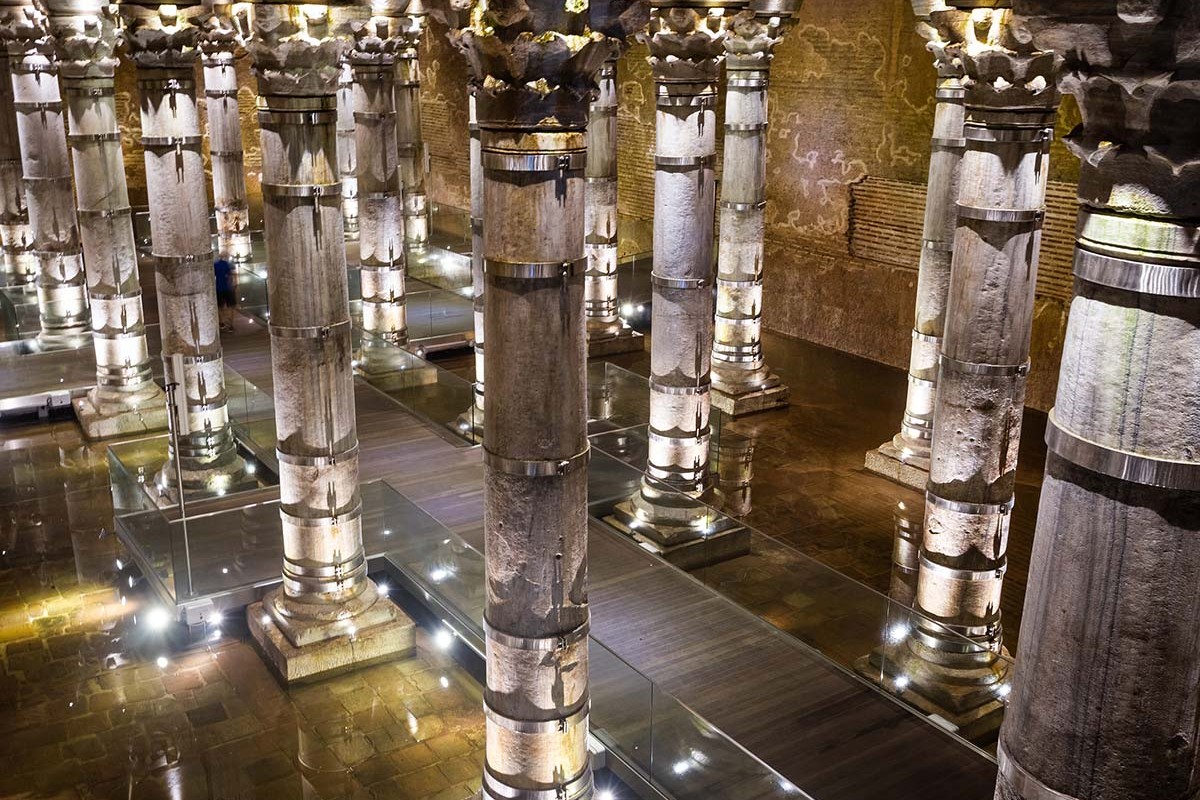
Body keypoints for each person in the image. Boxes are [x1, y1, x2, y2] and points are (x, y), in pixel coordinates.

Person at [214, 257, 237, 333]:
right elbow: (234, 274)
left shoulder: (215, 264)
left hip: (218, 288)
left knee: (219, 307)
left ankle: (221, 323)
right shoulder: (229, 264)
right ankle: (231, 325)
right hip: (228, 288)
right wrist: (235, 285)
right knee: (230, 307)